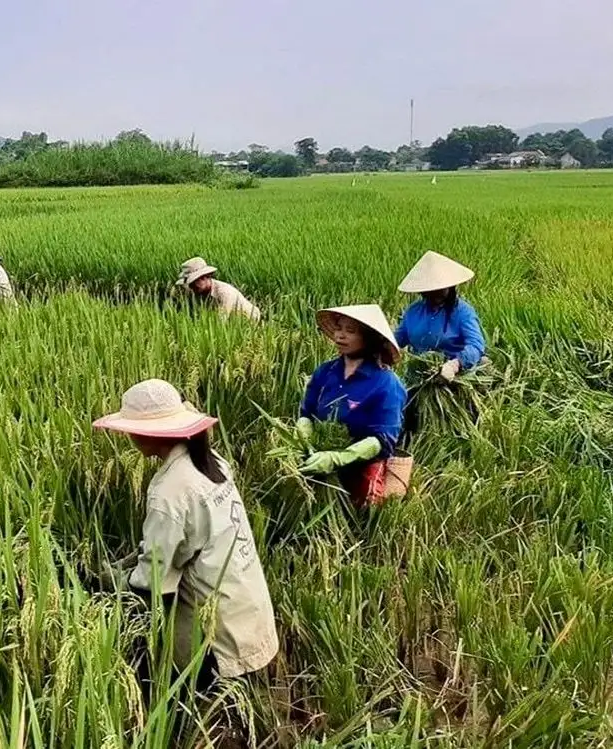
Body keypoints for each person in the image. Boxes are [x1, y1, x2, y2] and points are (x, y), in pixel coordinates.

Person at [92, 379, 278, 694]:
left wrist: (110, 583)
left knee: (210, 706)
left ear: (146, 435)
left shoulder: (168, 490)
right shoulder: (210, 461)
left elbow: (153, 575)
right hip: (246, 599)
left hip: (213, 625)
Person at [297, 305, 407, 505]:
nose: (340, 335)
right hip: (317, 454)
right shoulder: (325, 371)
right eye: (339, 328)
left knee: (364, 506)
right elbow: (306, 411)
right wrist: (305, 438)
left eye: (350, 331)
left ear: (369, 339)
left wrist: (337, 458)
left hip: (361, 462)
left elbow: (382, 440)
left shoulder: (387, 384)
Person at [394, 251, 486, 382]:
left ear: (450, 287)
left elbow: (476, 345)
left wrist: (454, 365)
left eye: (439, 289)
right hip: (419, 376)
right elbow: (398, 339)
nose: (434, 294)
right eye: (429, 290)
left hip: (455, 376)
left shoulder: (463, 312)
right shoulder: (414, 311)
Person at [176, 257, 261, 321]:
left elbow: (221, 322)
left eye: (194, 282)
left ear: (204, 277)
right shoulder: (198, 292)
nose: (191, 286)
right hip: (230, 322)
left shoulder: (224, 293)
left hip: (249, 320)